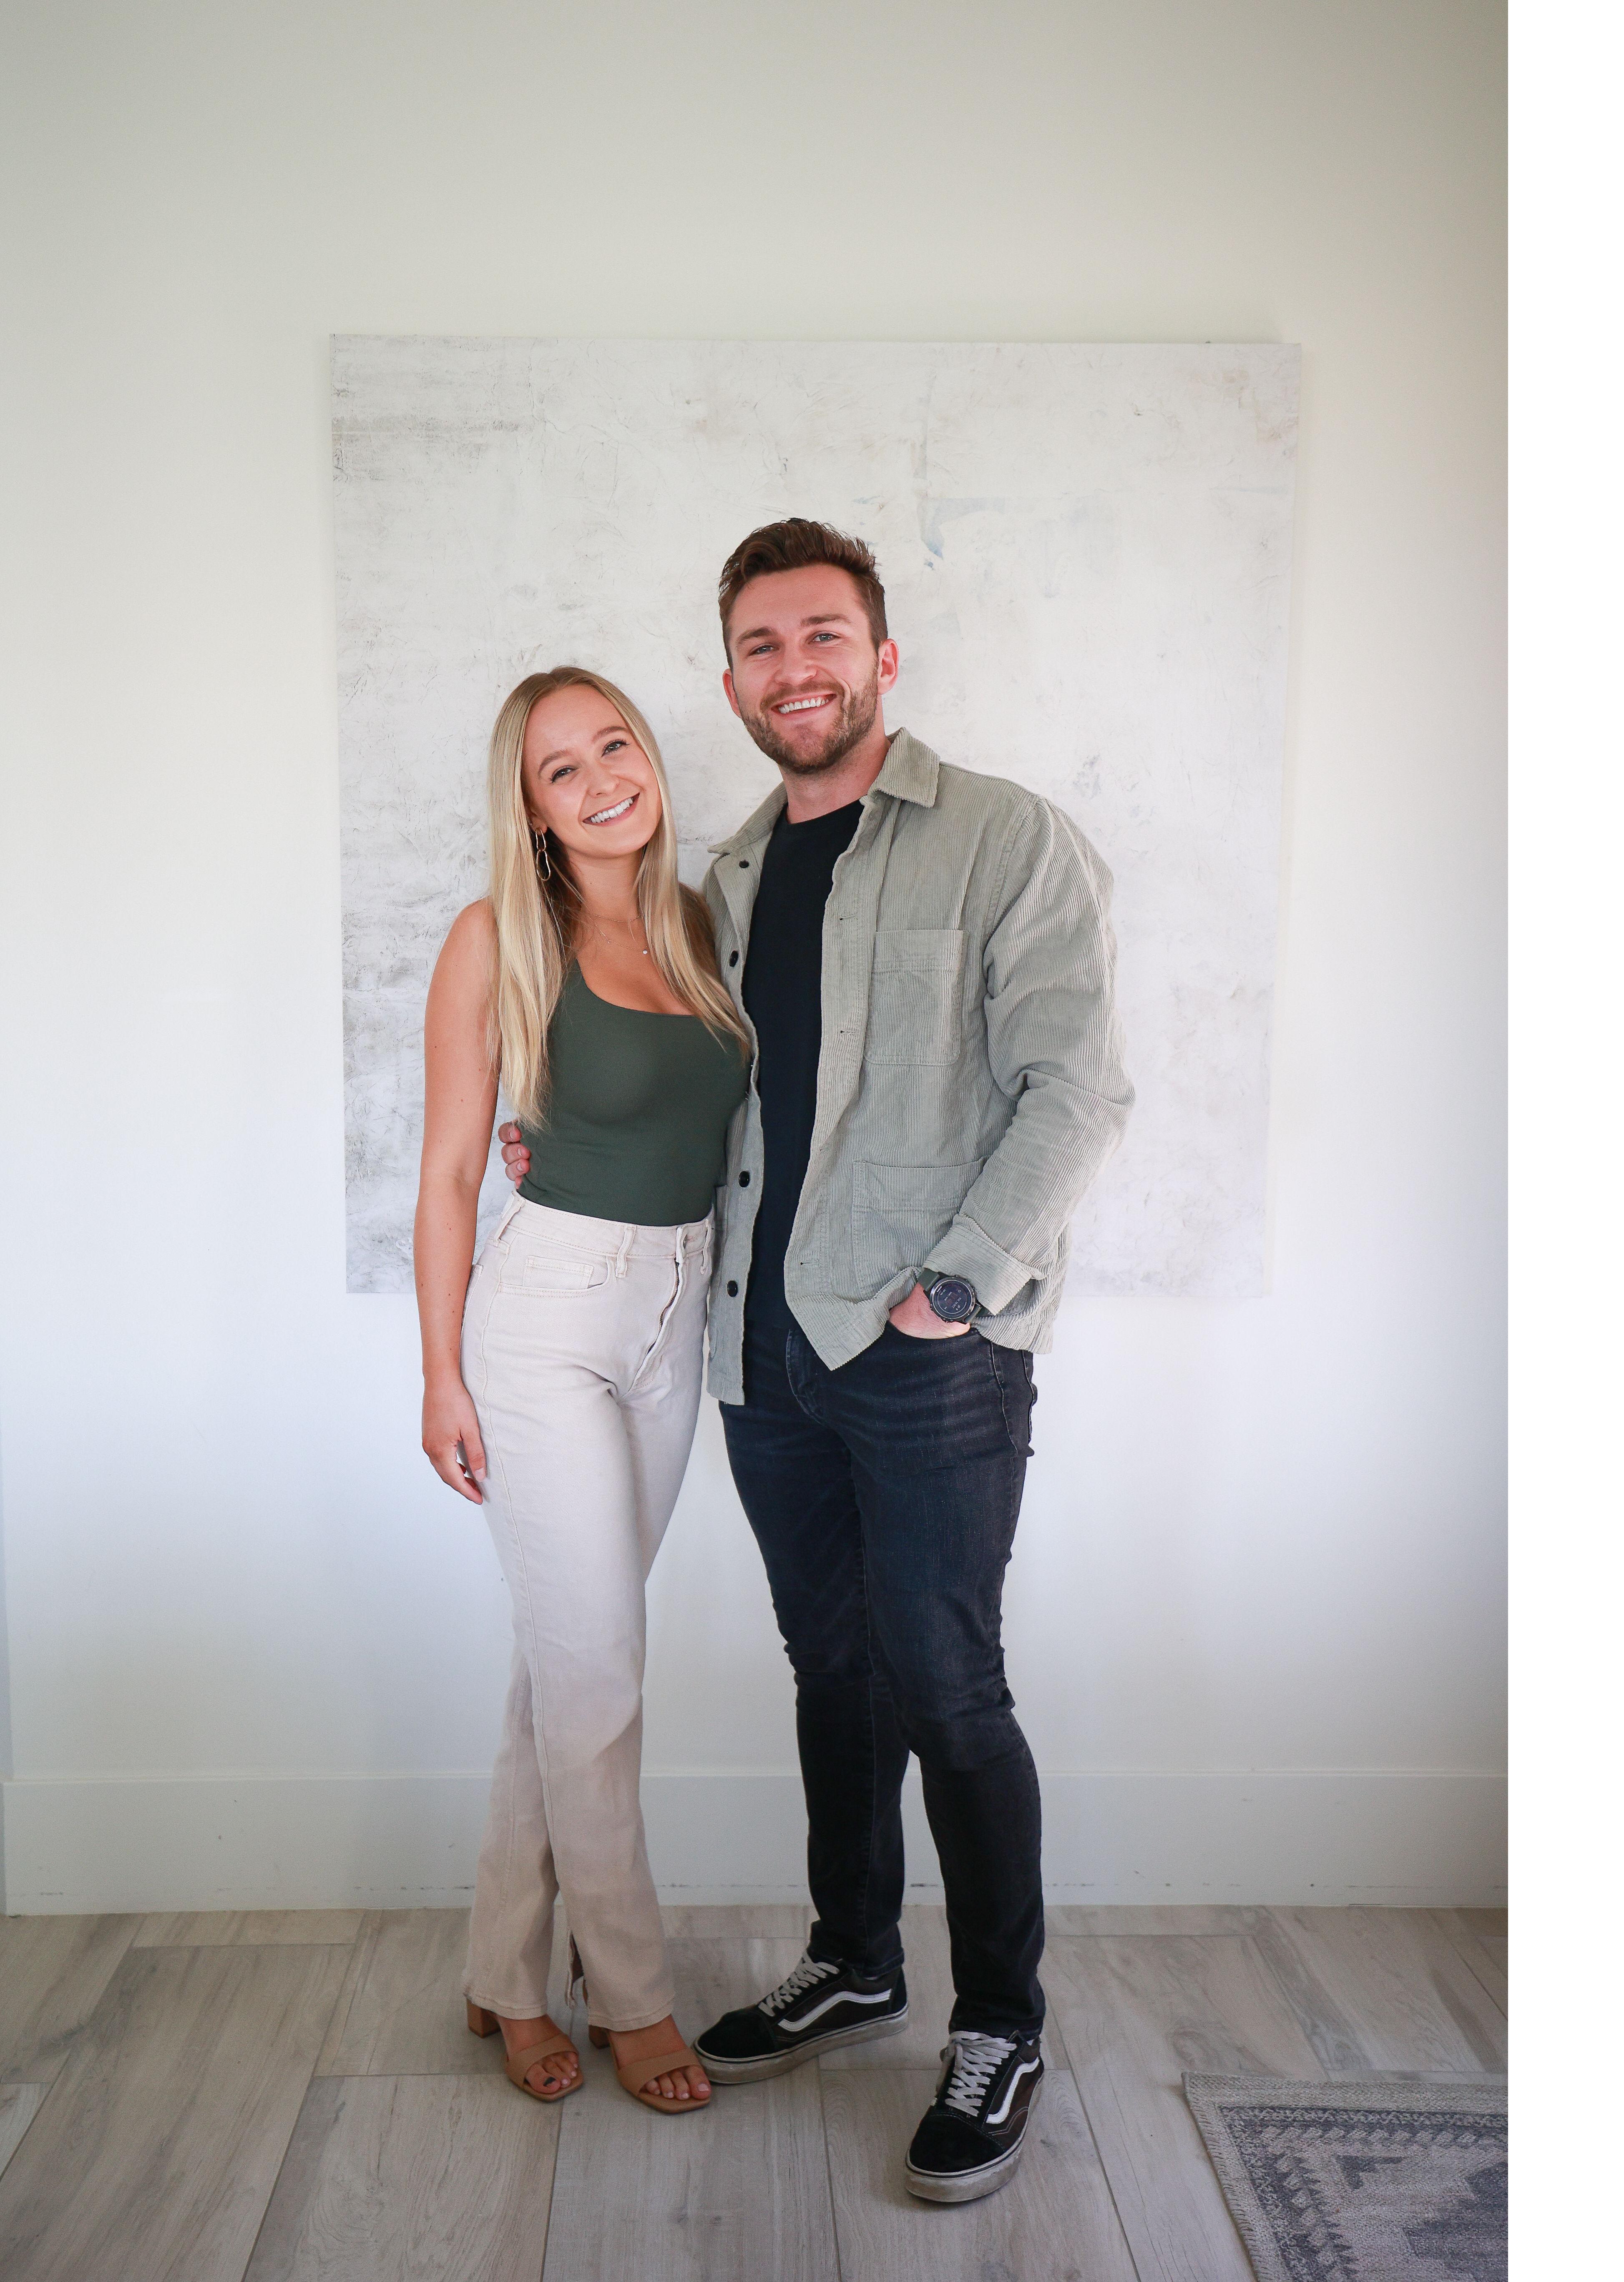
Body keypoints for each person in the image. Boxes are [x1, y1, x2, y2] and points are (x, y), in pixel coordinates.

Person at [501, 520, 1131, 2202]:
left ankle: (1000, 2023)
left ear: (881, 656)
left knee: (946, 1682)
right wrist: (549, 1142)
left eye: (825, 636)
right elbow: (703, 1093)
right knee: (832, 1670)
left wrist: (956, 1289)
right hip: (760, 1352)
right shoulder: (727, 880)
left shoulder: (1004, 838)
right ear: (731, 682)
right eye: (763, 647)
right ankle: (856, 1958)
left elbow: (1077, 1091)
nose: (797, 670)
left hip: (928, 1354)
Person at [414, 666, 750, 2115]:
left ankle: (502, 1972)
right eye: (563, 768)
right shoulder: (498, 937)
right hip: (547, 1319)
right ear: (533, 808)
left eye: (616, 745)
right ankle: (632, 1997)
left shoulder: (699, 925)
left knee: (565, 1667)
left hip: (677, 1317)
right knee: (601, 1672)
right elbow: (447, 1172)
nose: (604, 779)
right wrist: (440, 1374)